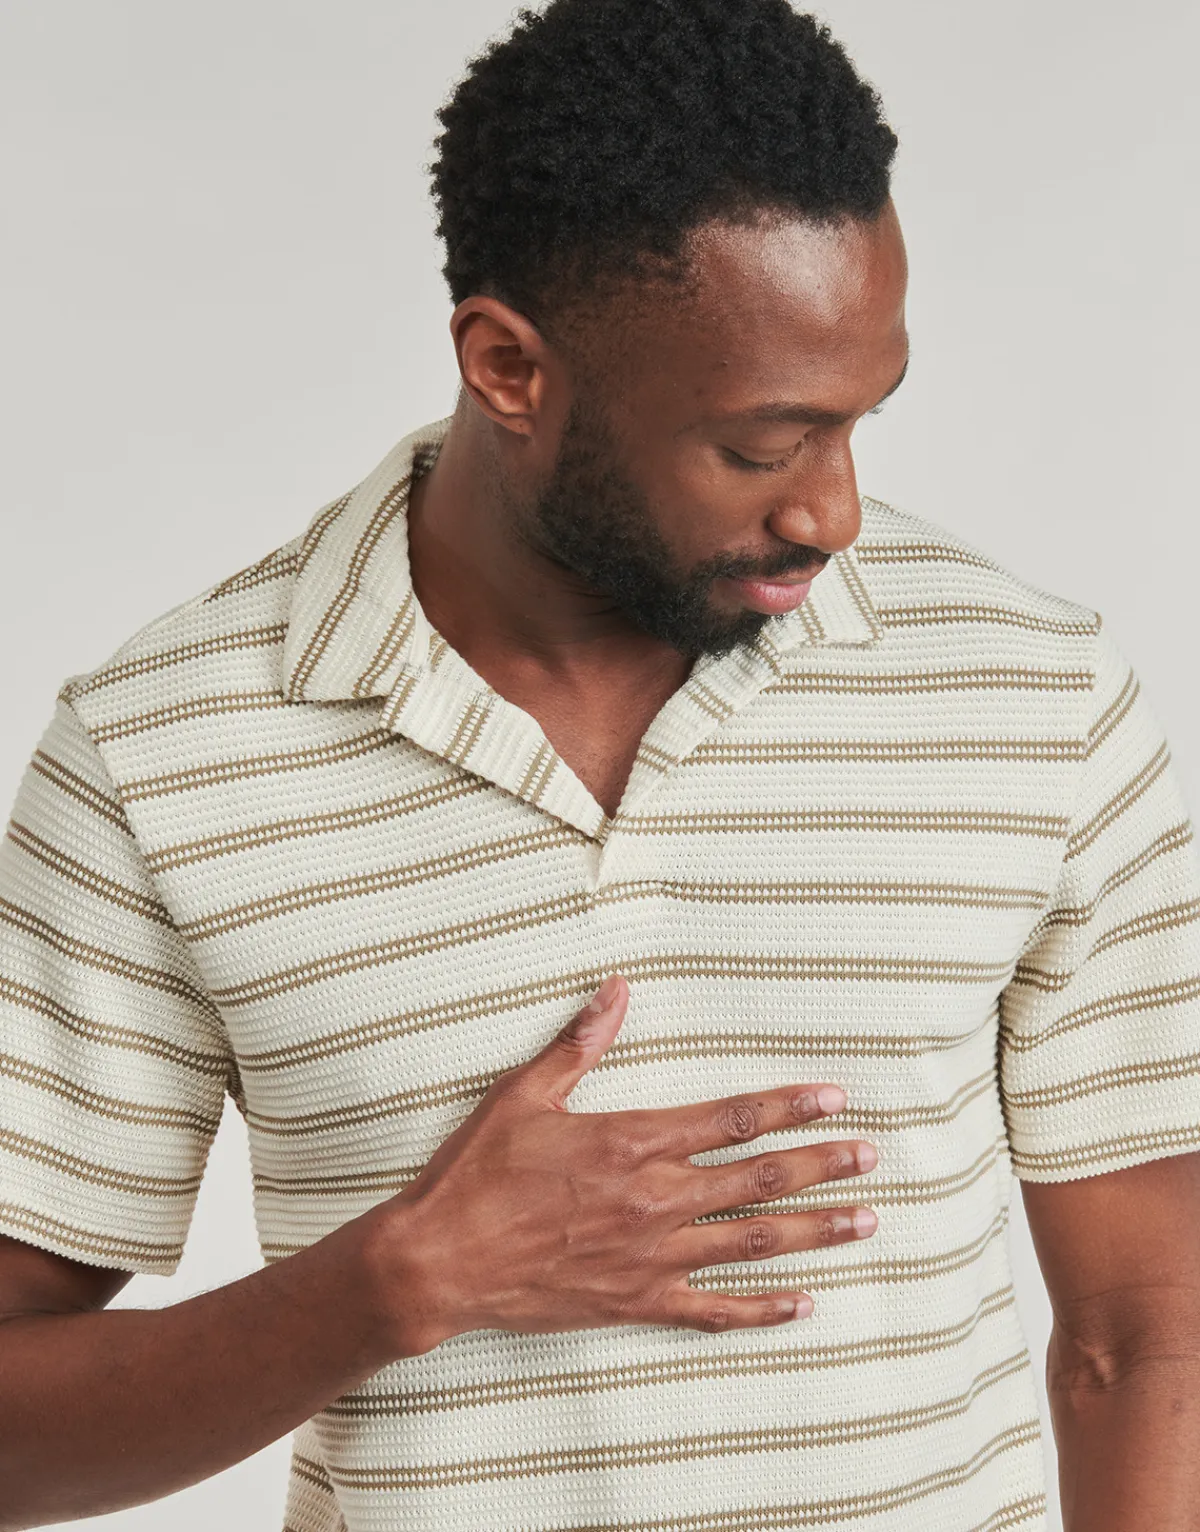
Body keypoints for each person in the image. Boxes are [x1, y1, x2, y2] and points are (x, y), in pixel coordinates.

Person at [1, 0, 1199, 1527]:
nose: (831, 511)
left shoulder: (1033, 695)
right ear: (509, 366)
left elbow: (1145, 1337)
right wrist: (400, 1280)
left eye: (858, 421)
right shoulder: (163, 752)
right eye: (760, 446)